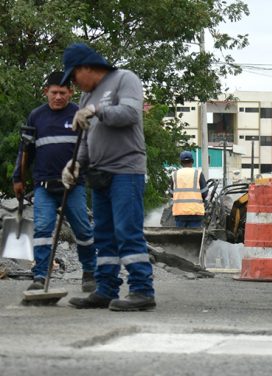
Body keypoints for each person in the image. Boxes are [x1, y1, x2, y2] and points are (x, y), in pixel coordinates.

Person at [60, 43, 155, 311]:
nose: (75, 84)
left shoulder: (125, 79)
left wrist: (97, 111)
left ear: (86, 68)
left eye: (74, 76)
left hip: (126, 169)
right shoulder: (86, 98)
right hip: (99, 174)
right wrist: (75, 164)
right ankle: (105, 289)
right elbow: (88, 139)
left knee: (127, 231)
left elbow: (130, 114)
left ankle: (142, 290)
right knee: (103, 235)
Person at [12, 71, 97, 293]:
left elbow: (91, 148)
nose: (58, 97)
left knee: (83, 231)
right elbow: (25, 150)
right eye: (54, 93)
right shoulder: (36, 116)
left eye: (62, 93)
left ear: (71, 92)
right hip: (44, 187)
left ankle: (89, 273)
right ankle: (39, 276)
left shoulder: (79, 114)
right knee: (42, 231)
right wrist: (18, 178)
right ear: (46, 92)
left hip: (74, 187)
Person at [170, 151, 208, 228]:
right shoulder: (198, 173)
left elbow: (171, 193)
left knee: (180, 237)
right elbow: (204, 193)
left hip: (179, 213)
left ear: (181, 162)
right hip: (195, 213)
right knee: (194, 238)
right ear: (192, 161)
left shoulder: (174, 174)